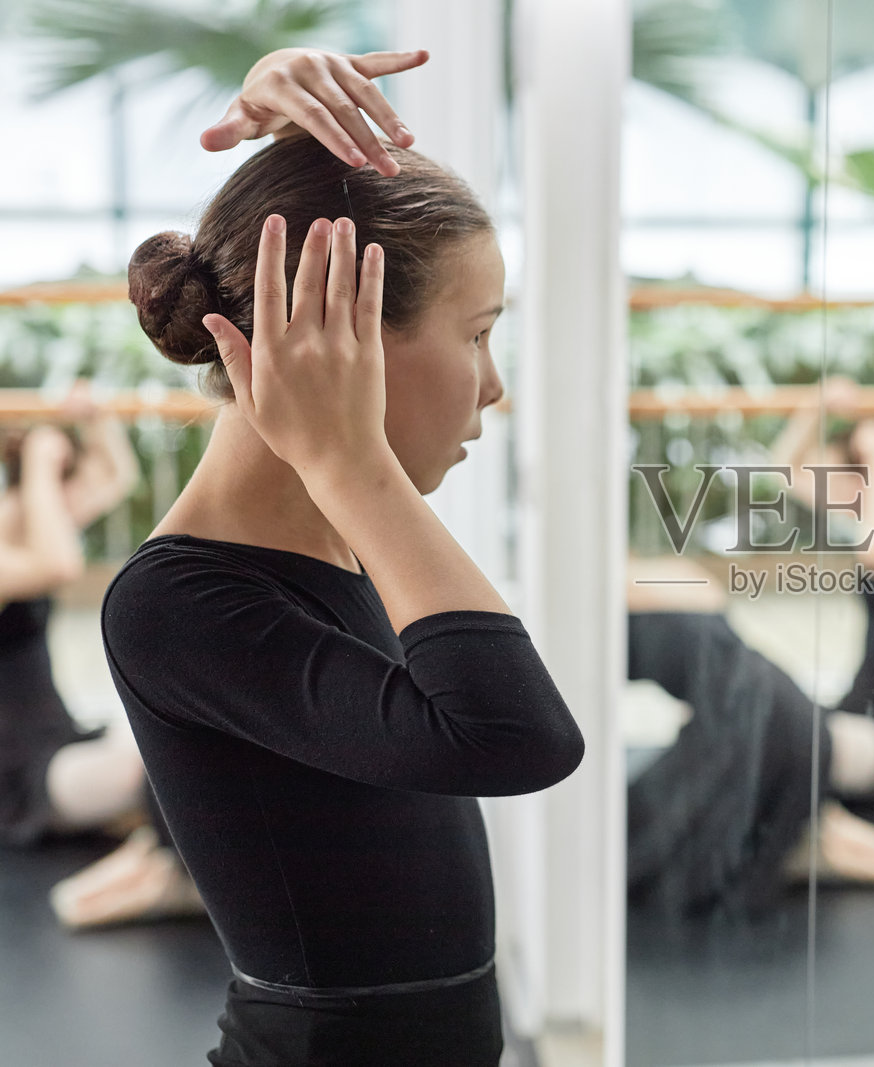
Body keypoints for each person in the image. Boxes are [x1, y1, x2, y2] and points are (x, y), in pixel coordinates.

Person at [105, 47, 582, 1066]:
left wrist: (281, 124)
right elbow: (517, 736)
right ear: (341, 333)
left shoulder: (341, 544)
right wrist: (352, 459)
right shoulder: (177, 602)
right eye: (478, 333)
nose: (492, 386)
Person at [624, 379, 874, 915]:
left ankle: (817, 834)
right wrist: (816, 407)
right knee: (765, 718)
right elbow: (786, 471)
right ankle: (804, 828)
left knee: (783, 725)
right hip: (851, 711)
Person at [0, 387, 204, 927]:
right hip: (20, 779)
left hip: (63, 738)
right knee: (149, 765)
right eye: (62, 487)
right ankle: (158, 869)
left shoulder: (35, 527)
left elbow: (117, 479)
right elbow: (60, 566)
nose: (76, 505)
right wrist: (43, 462)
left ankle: (152, 854)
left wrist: (94, 423)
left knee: (174, 731)